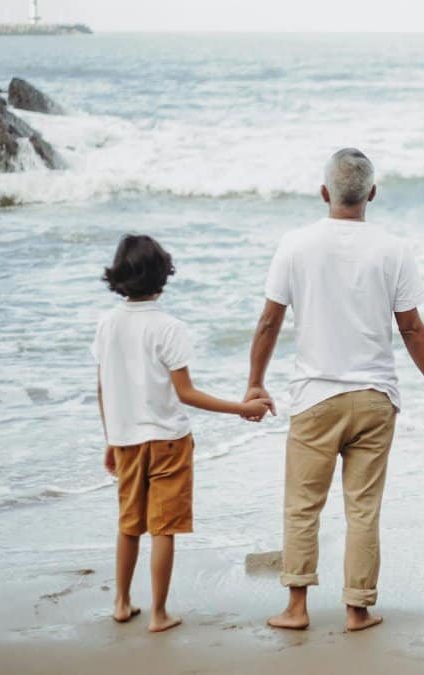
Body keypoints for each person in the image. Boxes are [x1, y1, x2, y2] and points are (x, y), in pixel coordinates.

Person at [245, 148, 424, 632]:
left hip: (315, 397)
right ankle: (358, 608)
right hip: (374, 397)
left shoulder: (295, 244)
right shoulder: (393, 248)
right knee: (363, 508)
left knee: (303, 505)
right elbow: (411, 329)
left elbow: (268, 321)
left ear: (324, 192)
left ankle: (297, 608)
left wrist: (255, 383)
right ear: (372, 194)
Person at [93, 234, 273, 633]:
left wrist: (110, 438)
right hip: (168, 441)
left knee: (128, 524)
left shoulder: (107, 324)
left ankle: (121, 603)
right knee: (163, 528)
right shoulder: (169, 327)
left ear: (119, 275)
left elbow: (103, 387)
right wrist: (243, 408)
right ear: (163, 275)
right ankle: (158, 613)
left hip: (125, 440)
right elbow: (185, 393)